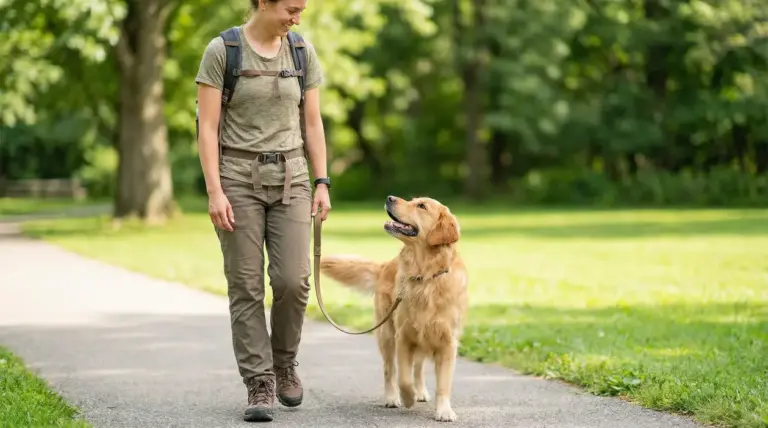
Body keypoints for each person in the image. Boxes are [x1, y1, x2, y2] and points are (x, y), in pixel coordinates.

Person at [194, 0, 331, 422]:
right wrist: (215, 190)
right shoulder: (223, 51)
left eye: (301, 9)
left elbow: (312, 123)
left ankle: (284, 362)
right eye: (291, 8)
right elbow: (207, 126)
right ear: (264, 2)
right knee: (246, 285)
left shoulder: (302, 52)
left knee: (294, 280)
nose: (297, 16)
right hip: (237, 180)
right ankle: (259, 381)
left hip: (292, 178)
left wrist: (322, 181)